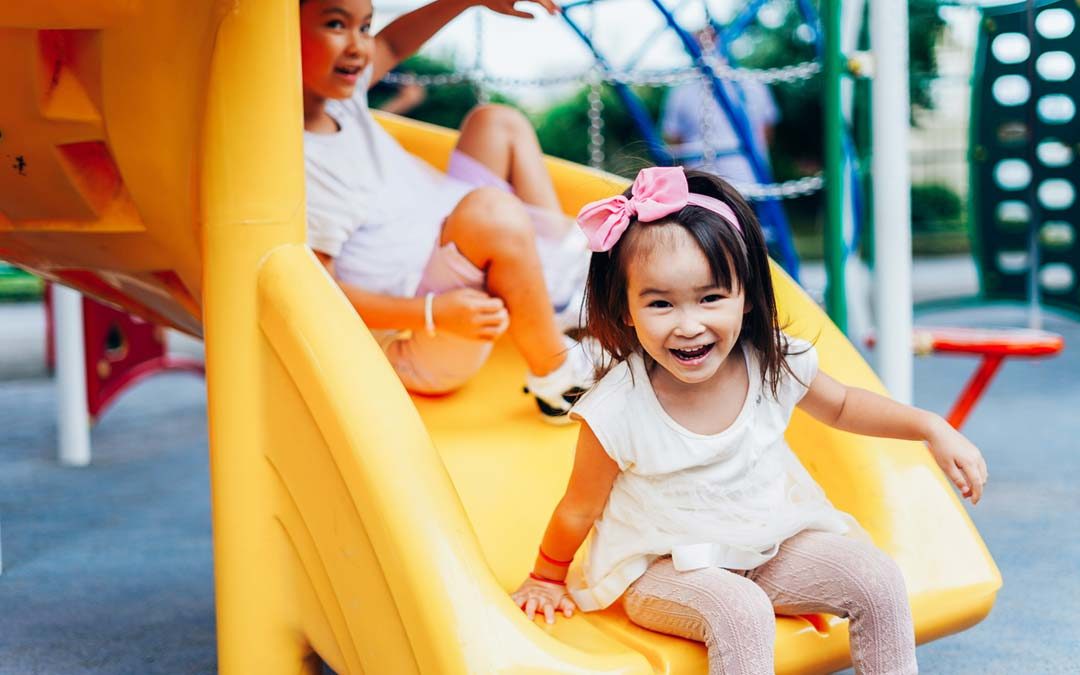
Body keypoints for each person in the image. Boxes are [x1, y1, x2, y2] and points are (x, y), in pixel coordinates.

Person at [510, 167, 989, 673]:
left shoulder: (768, 361)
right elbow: (578, 509)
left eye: (711, 298)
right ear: (626, 310)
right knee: (741, 611)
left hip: (766, 544)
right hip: (661, 568)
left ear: (746, 296)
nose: (689, 324)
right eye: (660, 304)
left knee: (877, 578)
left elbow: (844, 405)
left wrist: (930, 427)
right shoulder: (617, 408)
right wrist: (547, 575)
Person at [300, 0, 593, 421]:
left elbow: (394, 43)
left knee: (495, 123)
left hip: (442, 236)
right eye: (334, 25)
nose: (359, 47)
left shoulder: (339, 101)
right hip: (425, 330)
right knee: (489, 211)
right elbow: (318, 295)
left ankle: (562, 286)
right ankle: (558, 380)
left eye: (363, 27)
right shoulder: (301, 163)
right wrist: (434, 314)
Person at [661, 30, 779, 188]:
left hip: (748, 182)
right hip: (703, 186)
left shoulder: (751, 84)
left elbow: (766, 132)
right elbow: (673, 140)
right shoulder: (682, 91)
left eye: (710, 40)